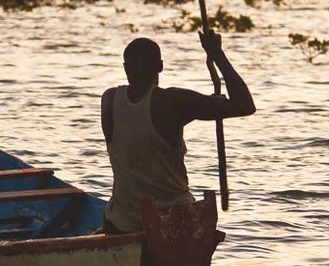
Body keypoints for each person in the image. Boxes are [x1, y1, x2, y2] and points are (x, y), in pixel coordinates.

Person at [101, 33, 255, 234]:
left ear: (126, 69)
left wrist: (204, 105)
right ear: (160, 66)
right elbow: (244, 105)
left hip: (122, 222)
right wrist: (216, 54)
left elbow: (148, 125)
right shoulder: (174, 102)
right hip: (174, 220)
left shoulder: (109, 99)